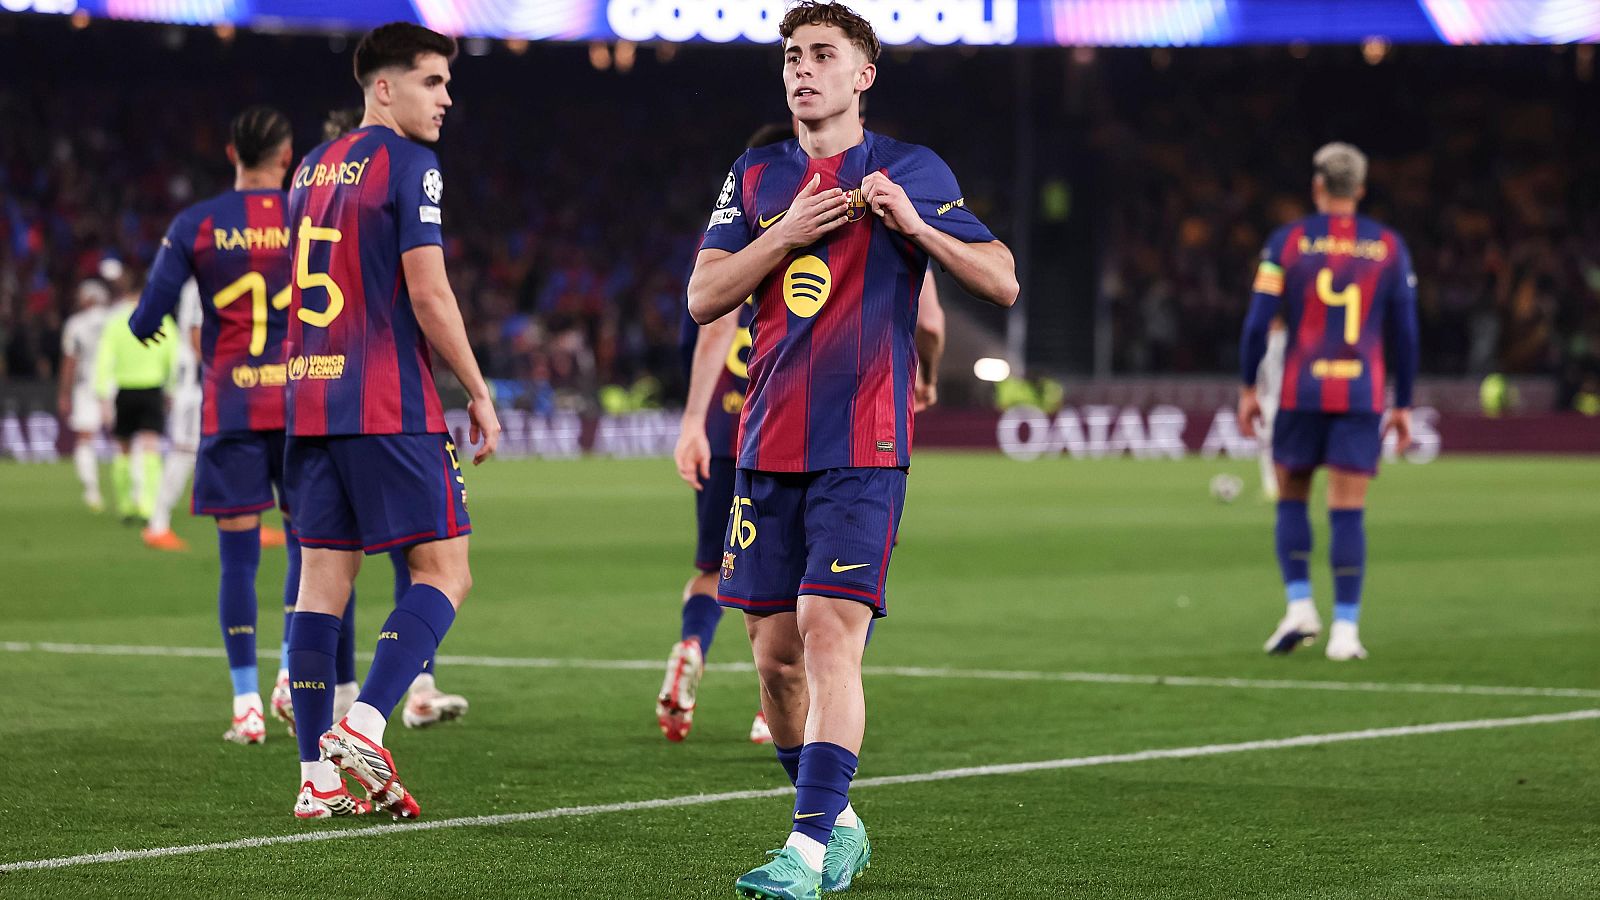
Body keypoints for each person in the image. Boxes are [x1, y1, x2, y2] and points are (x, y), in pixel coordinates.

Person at [686, 3, 1017, 894]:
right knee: (773, 661)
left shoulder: (909, 168)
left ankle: (801, 851)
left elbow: (1003, 278)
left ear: (863, 74)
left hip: (863, 444)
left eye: (823, 55)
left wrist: (916, 225)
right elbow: (702, 295)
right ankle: (842, 823)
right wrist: (784, 234)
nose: (803, 69)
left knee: (829, 633)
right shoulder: (756, 175)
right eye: (792, 55)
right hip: (766, 440)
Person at [282, 22, 499, 820]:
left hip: (309, 399)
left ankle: (316, 777)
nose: (446, 98)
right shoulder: (411, 164)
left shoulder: (309, 167)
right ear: (384, 87)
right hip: (385, 401)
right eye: (432, 81)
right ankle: (367, 723)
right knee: (446, 571)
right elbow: (429, 293)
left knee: (320, 590)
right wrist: (476, 389)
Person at [130, 106, 306, 741]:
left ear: (232, 153)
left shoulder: (196, 223)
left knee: (238, 561)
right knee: (307, 546)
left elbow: (147, 317)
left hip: (231, 407)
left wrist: (156, 324)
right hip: (300, 408)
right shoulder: (307, 215)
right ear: (286, 158)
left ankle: (245, 707)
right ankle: (292, 675)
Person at [1239, 142, 1419, 662]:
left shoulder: (1287, 242)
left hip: (1300, 390)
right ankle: (1345, 631)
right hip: (1361, 392)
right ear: (1360, 189)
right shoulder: (1389, 246)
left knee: (1292, 496)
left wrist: (1250, 388)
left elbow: (1257, 322)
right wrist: (1403, 403)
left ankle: (1299, 606)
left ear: (1317, 186)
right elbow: (1405, 331)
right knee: (1347, 511)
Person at [660, 123, 794, 747]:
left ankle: (691, 643)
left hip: (721, 425)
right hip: (783, 426)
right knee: (795, 579)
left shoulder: (726, 236)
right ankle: (774, 708)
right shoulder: (810, 224)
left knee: (714, 569)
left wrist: (692, 421)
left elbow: (709, 329)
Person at [96, 274, 176, 525]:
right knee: (151, 446)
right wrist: (171, 390)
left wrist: (102, 397)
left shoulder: (116, 323)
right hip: (152, 389)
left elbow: (102, 360)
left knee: (123, 448)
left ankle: (125, 504)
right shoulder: (163, 321)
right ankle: (147, 505)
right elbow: (173, 358)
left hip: (125, 390)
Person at [139, 281, 201, 551]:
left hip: (202, 384)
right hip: (194, 388)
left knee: (235, 449)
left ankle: (248, 522)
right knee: (184, 451)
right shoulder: (199, 285)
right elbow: (196, 334)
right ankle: (157, 525)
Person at [58, 279, 112, 511]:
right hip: (115, 384)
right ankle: (135, 492)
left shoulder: (76, 324)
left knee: (85, 438)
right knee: (127, 439)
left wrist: (64, 393)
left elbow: (70, 361)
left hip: (86, 386)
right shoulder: (115, 319)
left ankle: (92, 491)